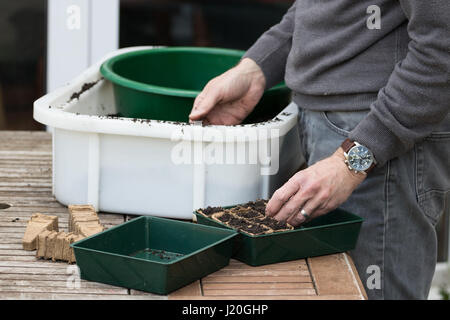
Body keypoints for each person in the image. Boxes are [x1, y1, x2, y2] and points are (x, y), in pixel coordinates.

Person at [189, 1, 450, 299]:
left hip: (381, 149)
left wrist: (352, 159)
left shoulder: (362, 153)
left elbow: (442, 47)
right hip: (336, 135)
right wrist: (257, 68)